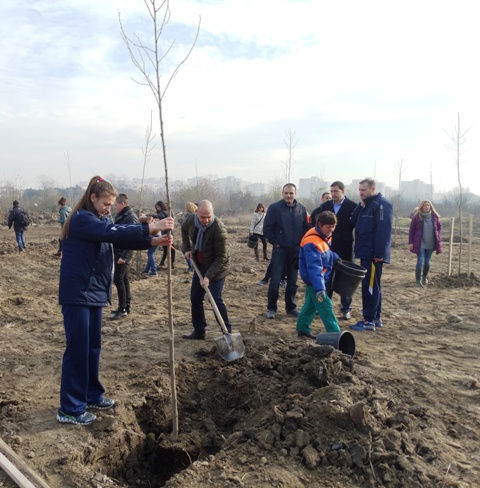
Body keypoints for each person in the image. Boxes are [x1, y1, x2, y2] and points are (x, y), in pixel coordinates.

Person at [57, 176, 173, 426]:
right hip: (78, 293)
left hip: (95, 292)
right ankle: (70, 408)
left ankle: (91, 394)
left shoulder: (100, 219)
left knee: (92, 347)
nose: (108, 208)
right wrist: (151, 227)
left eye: (110, 204)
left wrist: (153, 240)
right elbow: (111, 232)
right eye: (105, 203)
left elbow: (118, 238)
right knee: (77, 349)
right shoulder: (82, 219)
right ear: (93, 199)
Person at [181, 200, 231, 340]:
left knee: (215, 299)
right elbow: (184, 230)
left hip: (218, 268)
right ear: (197, 213)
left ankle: (227, 331)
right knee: (195, 298)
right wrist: (187, 248)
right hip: (200, 265)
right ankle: (199, 331)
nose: (206, 220)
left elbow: (221, 257)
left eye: (209, 216)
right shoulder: (191, 220)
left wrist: (208, 277)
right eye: (203, 217)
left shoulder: (219, 229)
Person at [349, 178, 393, 332]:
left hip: (373, 254)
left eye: (364, 190)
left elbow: (384, 230)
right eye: (360, 190)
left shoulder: (381, 205)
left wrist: (379, 253)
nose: (361, 193)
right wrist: (360, 207)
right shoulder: (365, 205)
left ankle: (368, 321)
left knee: (371, 287)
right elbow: (352, 222)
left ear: (372, 189)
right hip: (365, 251)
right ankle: (375, 318)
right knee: (372, 285)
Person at [310, 181, 357, 320]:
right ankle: (324, 305)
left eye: (336, 191)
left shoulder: (352, 206)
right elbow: (315, 220)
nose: (333, 194)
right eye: (332, 191)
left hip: (346, 247)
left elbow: (357, 227)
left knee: (346, 279)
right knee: (326, 276)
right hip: (328, 247)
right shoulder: (325, 206)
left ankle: (346, 308)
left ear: (343, 191)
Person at [263, 183, 310, 319]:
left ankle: (291, 307)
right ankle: (272, 308)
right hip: (280, 251)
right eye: (286, 193)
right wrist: (276, 243)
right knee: (275, 280)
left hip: (295, 251)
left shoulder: (301, 209)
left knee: (293, 281)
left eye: (291, 193)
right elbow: (267, 228)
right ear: (282, 193)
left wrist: (302, 243)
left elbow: (306, 227)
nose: (288, 195)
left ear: (295, 193)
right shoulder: (275, 208)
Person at [296, 211, 342, 338]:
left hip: (318, 280)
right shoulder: (312, 242)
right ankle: (336, 335)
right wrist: (320, 289)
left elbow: (326, 253)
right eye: (328, 227)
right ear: (320, 225)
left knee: (310, 305)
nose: (331, 230)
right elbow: (314, 267)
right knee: (326, 305)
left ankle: (302, 328)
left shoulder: (322, 237)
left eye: (333, 227)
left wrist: (335, 257)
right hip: (315, 281)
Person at [111, 194, 139, 319]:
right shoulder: (121, 215)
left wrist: (124, 256)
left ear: (122, 204)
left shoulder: (130, 218)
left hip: (123, 253)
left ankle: (122, 308)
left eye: (116, 204)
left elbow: (133, 239)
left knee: (118, 279)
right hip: (118, 251)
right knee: (124, 279)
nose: (114, 207)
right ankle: (126, 306)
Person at [408, 199, 442, 287]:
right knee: (420, 261)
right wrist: (410, 242)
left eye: (428, 205)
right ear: (421, 207)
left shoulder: (435, 217)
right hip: (420, 243)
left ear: (430, 207)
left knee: (427, 262)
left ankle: (424, 278)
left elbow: (438, 229)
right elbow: (411, 230)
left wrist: (438, 239)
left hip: (430, 243)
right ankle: (418, 281)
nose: (427, 207)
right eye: (425, 205)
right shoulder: (417, 217)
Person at [156, 200, 175, 269]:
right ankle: (163, 262)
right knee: (166, 249)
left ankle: (170, 264)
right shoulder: (163, 213)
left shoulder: (169, 212)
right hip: (164, 232)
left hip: (169, 232)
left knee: (171, 249)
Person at [182, 202, 198, 272]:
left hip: (191, 235)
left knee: (186, 250)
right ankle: (192, 266)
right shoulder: (194, 215)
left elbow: (184, 226)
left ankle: (191, 266)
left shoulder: (189, 215)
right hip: (192, 235)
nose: (185, 209)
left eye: (186, 207)